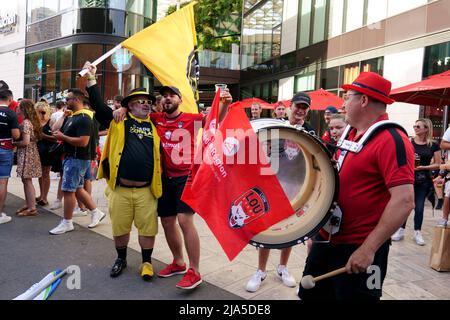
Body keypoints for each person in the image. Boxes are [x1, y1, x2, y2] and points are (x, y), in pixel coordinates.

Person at [298, 72, 415, 300]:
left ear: (363, 100)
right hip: (328, 241)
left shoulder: (392, 139)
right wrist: (316, 232)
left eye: (347, 97)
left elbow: (404, 200)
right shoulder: (350, 133)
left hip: (360, 249)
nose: (343, 104)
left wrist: (368, 249)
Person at [84, 63, 163, 281]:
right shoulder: (119, 121)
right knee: (120, 229)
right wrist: (91, 79)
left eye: (148, 102)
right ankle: (121, 258)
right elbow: (100, 108)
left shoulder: (156, 125)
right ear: (130, 105)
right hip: (120, 189)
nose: (146, 105)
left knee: (148, 230)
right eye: (141, 102)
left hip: (147, 191)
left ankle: (147, 262)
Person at [246, 91, 314, 293]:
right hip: (273, 183)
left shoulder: (310, 131)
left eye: (304, 107)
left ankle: (283, 267)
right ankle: (261, 270)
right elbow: (261, 149)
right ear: (290, 106)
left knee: (290, 228)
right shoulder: (278, 125)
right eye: (298, 106)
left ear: (308, 111)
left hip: (297, 186)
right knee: (266, 228)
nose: (300, 110)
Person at [49, 88, 106, 235]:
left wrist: (63, 137)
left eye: (68, 99)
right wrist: (62, 131)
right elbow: (54, 129)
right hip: (73, 158)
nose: (65, 101)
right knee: (78, 189)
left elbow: (83, 142)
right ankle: (96, 212)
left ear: (77, 100)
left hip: (77, 158)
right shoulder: (73, 116)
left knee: (69, 190)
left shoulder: (84, 118)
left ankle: (67, 222)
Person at [391, 118, 441, 245]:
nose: (415, 128)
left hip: (423, 179)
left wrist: (423, 167)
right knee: (405, 205)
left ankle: (417, 232)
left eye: (418, 126)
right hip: (408, 178)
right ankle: (401, 229)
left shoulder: (433, 145)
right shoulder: (408, 141)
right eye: (414, 126)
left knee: (419, 207)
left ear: (426, 129)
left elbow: (438, 164)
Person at [13, 100, 42, 216]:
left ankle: (31, 207)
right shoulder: (30, 121)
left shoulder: (26, 123)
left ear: (23, 109)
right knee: (26, 180)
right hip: (30, 152)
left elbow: (25, 142)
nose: (17, 108)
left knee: (27, 180)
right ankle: (29, 204)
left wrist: (13, 143)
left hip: (27, 154)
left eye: (19, 107)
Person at [0, 89, 20, 224]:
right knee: (2, 181)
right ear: (10, 99)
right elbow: (16, 135)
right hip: (5, 148)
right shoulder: (11, 113)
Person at [36, 101, 57, 207]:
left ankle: (45, 197)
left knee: (45, 173)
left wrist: (44, 136)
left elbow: (56, 138)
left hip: (48, 151)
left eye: (44, 112)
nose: (42, 115)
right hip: (37, 151)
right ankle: (41, 195)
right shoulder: (35, 122)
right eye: (39, 112)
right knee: (40, 174)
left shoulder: (51, 122)